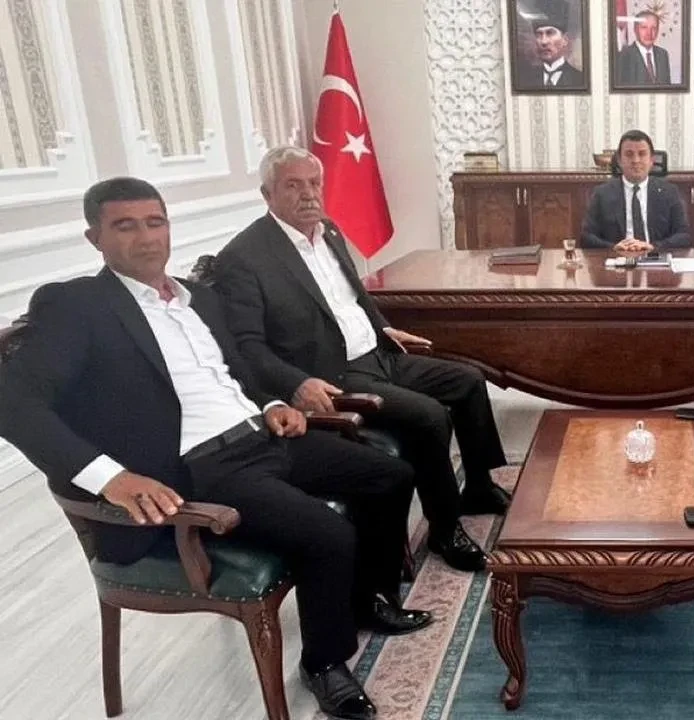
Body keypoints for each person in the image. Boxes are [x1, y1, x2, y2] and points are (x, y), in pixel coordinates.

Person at [0, 177, 433, 720]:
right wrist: (111, 477)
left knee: (389, 474)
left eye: (155, 222)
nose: (146, 237)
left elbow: (235, 371)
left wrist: (270, 403)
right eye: (125, 226)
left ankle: (366, 600)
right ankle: (325, 664)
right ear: (95, 238)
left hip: (260, 437)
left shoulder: (197, 297)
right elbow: (13, 405)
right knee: (328, 533)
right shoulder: (77, 306)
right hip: (197, 467)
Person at [213, 146, 510, 574]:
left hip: (378, 354)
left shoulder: (329, 232)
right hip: (332, 374)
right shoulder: (244, 258)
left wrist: (384, 328)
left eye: (314, 183)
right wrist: (296, 383)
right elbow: (246, 347)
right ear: (267, 194)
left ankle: (478, 486)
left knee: (468, 380)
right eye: (293, 185)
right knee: (428, 416)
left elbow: (353, 298)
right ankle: (445, 528)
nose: (308, 194)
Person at [580, 129, 691, 252]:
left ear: (651, 160)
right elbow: (586, 237)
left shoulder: (669, 192)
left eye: (642, 154)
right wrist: (613, 248)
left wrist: (654, 247)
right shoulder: (602, 194)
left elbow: (684, 236)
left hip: (654, 257)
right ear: (619, 160)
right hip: (618, 258)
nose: (636, 160)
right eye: (629, 154)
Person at [515, 0, 585, 89]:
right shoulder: (525, 80)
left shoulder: (579, 79)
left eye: (550, 33)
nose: (543, 42)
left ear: (565, 40)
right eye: (539, 34)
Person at [615, 11, 672, 85]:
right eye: (644, 27)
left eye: (653, 28)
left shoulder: (663, 54)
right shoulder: (624, 56)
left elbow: (667, 87)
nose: (649, 33)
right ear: (635, 30)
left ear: (658, 31)